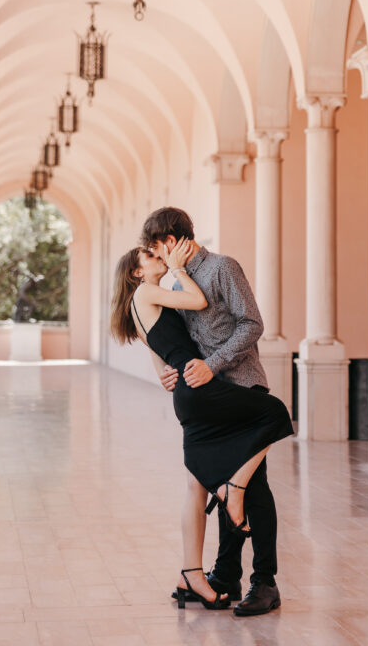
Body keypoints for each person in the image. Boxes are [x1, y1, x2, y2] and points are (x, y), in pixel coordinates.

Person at [110, 237, 293, 614]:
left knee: (198, 483)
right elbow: (195, 306)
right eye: (150, 254)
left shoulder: (169, 289)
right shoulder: (154, 290)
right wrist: (176, 269)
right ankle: (235, 501)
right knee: (272, 418)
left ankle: (199, 575)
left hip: (205, 388)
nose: (157, 255)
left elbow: (159, 352)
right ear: (138, 271)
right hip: (201, 389)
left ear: (174, 240)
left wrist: (165, 374)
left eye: (157, 248)